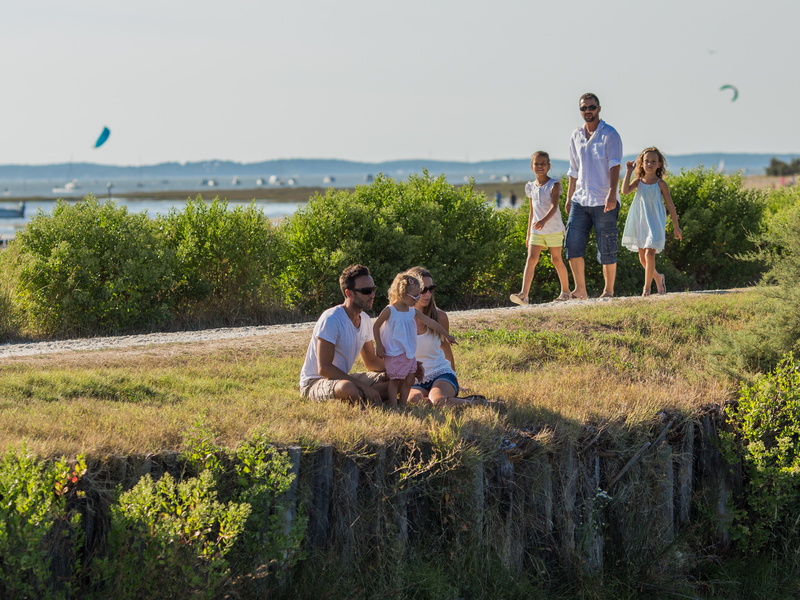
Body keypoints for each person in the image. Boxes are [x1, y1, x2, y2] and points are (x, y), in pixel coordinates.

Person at [299, 264, 389, 404]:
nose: (372, 295)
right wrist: (363, 386)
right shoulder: (331, 319)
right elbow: (324, 369)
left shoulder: (364, 319)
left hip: (341, 378)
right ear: (349, 293)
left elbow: (371, 362)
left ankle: (362, 397)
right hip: (315, 382)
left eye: (373, 289)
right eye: (366, 291)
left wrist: (405, 367)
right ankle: (363, 396)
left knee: (396, 379)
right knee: (348, 388)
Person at [565, 93, 623, 299]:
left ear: (599, 108)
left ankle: (608, 291)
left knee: (607, 245)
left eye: (591, 107)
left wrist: (611, 194)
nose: (587, 111)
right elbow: (573, 169)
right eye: (583, 108)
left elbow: (615, 165)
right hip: (580, 200)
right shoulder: (576, 135)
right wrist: (569, 197)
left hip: (603, 200)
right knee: (572, 243)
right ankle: (580, 290)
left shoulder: (610, 134)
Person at [405, 267, 486, 407]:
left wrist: (454, 378)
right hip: (415, 379)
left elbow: (445, 347)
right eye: (423, 289)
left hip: (440, 373)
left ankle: (485, 404)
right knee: (414, 401)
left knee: (438, 400)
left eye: (431, 289)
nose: (428, 294)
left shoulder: (439, 316)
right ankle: (462, 402)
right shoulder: (399, 318)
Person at [373, 272, 456, 407]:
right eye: (416, 295)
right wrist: (379, 345)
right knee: (400, 385)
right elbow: (376, 326)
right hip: (397, 355)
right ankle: (397, 406)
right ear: (402, 294)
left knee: (415, 383)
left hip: (420, 361)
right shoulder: (390, 311)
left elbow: (432, 323)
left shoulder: (413, 312)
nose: (419, 298)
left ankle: (403, 404)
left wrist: (447, 335)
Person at [510, 151, 571, 305]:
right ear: (532, 166)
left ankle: (565, 292)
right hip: (536, 229)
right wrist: (528, 233)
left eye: (543, 163)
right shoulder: (530, 187)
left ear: (548, 166)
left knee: (556, 259)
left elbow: (554, 206)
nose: (540, 166)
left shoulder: (554, 185)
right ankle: (524, 294)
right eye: (537, 163)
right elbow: (532, 211)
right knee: (531, 259)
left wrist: (544, 221)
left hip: (553, 229)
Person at [620, 147, 683, 296]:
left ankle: (646, 289)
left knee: (649, 254)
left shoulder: (661, 184)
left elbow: (670, 205)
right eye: (646, 161)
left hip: (655, 222)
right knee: (643, 259)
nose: (649, 164)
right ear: (641, 163)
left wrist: (676, 227)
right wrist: (628, 171)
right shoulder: (638, 182)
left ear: (659, 164)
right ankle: (658, 277)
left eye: (653, 161)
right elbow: (625, 191)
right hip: (640, 221)